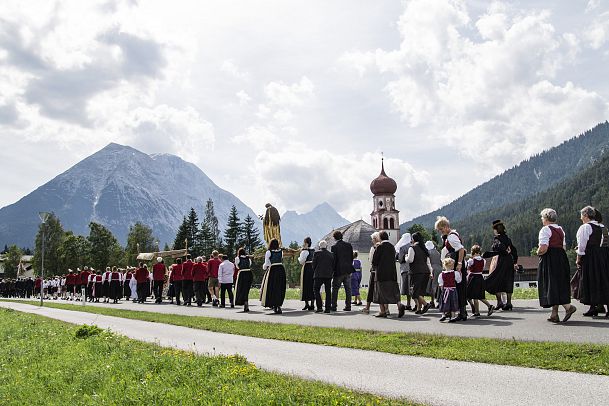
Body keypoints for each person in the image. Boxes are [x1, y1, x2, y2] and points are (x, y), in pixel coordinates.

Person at [536, 208, 576, 322]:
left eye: (542, 217)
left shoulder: (545, 230)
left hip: (550, 258)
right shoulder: (560, 229)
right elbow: (563, 247)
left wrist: (537, 252)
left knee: (551, 283)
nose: (542, 219)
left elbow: (543, 248)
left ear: (546, 218)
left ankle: (568, 307)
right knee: (558, 283)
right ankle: (554, 314)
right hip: (561, 257)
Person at [576, 206, 609, 316]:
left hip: (591, 256)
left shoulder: (585, 227)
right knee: (604, 280)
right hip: (604, 256)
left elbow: (582, 246)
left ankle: (593, 307)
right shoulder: (603, 227)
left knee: (592, 279)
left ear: (585, 215)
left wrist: (578, 259)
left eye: (581, 215)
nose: (581, 218)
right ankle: (603, 307)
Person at [435, 216, 468, 321]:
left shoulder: (451, 237)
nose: (440, 232)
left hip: (456, 263)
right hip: (455, 262)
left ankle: (461, 312)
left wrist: (459, 263)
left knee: (458, 287)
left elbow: (461, 249)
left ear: (445, 227)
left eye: (441, 229)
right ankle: (462, 312)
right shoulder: (452, 235)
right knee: (459, 287)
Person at [483, 220, 519, 311]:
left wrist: (502, 251)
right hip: (509, 261)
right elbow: (514, 251)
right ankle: (509, 303)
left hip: (501, 261)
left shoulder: (497, 239)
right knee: (508, 280)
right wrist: (515, 261)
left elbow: (498, 248)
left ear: (496, 230)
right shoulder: (508, 239)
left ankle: (499, 302)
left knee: (496, 279)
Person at [372, 231, 406, 318]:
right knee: (393, 291)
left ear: (380, 238)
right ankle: (399, 305)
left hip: (381, 273)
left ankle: (383, 311)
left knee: (380, 292)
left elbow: (374, 261)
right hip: (392, 273)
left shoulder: (379, 247)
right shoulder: (392, 247)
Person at [407, 232, 433, 315]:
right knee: (421, 291)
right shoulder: (424, 248)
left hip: (416, 272)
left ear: (413, 239)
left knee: (414, 292)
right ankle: (419, 309)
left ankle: (425, 304)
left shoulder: (412, 248)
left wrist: (405, 257)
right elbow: (428, 262)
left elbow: (410, 260)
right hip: (426, 271)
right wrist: (431, 272)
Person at [466, 245, 494, 317]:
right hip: (480, 277)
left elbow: (468, 268)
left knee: (473, 295)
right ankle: (477, 311)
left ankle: (483, 308)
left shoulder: (471, 260)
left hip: (473, 278)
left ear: (473, 253)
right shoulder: (483, 260)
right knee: (478, 295)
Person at [260, 239, 287, 314]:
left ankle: (274, 305)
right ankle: (278, 305)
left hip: (273, 270)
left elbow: (267, 263)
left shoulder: (268, 252)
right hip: (281, 269)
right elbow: (280, 259)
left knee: (272, 288)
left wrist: (264, 267)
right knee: (279, 288)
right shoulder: (281, 251)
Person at [331, 231, 354, 311]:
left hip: (338, 271)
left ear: (334, 238)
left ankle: (334, 306)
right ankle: (348, 306)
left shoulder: (334, 247)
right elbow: (351, 257)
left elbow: (334, 260)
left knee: (335, 289)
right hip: (348, 270)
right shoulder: (349, 245)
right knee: (348, 289)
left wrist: (332, 270)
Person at [312, 240, 334, 313]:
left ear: (319, 246)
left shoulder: (316, 253)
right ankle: (327, 308)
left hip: (318, 275)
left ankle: (319, 307)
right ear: (326, 246)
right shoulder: (331, 254)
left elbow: (313, 265)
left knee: (316, 290)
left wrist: (315, 270)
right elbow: (333, 265)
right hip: (328, 275)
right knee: (328, 291)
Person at [362, 232, 381, 314]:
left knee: (371, 289)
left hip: (374, 270)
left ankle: (367, 307)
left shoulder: (374, 248)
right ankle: (386, 309)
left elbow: (371, 260)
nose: (372, 240)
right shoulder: (382, 246)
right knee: (381, 289)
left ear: (375, 239)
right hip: (382, 270)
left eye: (372, 239)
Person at [438, 258, 462, 322]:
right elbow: (459, 281)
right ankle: (453, 317)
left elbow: (441, 284)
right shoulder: (455, 273)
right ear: (452, 265)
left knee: (444, 302)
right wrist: (460, 273)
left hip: (445, 290)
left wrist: (442, 291)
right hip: (453, 290)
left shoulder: (441, 274)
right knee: (453, 303)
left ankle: (443, 315)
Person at [395, 233, 413, 310]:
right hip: (413, 269)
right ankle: (416, 304)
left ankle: (408, 304)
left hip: (405, 268)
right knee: (412, 287)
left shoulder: (402, 248)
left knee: (406, 288)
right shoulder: (413, 246)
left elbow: (400, 259)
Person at [298, 237, 316, 311]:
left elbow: (301, 261)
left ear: (306, 243)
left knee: (305, 285)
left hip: (307, 268)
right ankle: (312, 304)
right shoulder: (313, 250)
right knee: (312, 285)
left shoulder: (304, 251)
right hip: (313, 268)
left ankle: (307, 304)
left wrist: (299, 257)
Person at [234, 248, 253, 312]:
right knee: (246, 289)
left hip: (242, 273)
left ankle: (244, 302)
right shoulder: (248, 258)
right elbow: (249, 265)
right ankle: (246, 302)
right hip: (249, 273)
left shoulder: (237, 258)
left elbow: (237, 266)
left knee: (241, 288)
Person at [426, 241, 442, 308]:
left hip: (433, 269)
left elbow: (428, 262)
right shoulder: (438, 252)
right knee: (439, 286)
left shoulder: (428, 252)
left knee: (433, 286)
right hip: (440, 268)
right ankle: (440, 301)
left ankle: (432, 301)